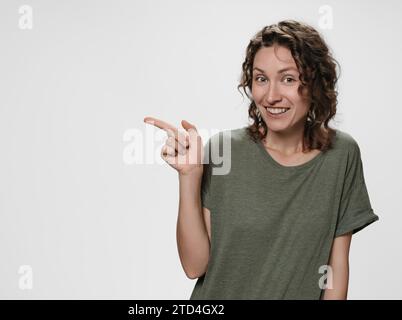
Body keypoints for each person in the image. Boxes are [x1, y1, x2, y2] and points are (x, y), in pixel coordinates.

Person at [143, 19, 379, 300]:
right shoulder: (224, 150)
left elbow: (336, 267)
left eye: (288, 79)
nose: (271, 96)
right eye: (261, 79)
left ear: (315, 83)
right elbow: (195, 266)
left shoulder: (341, 155)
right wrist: (190, 176)